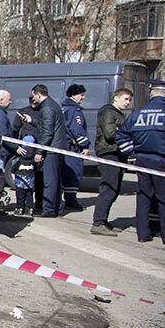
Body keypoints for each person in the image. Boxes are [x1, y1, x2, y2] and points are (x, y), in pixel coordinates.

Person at [115, 80, 165, 245]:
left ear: (152, 92)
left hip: (142, 160)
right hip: (164, 161)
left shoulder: (139, 112)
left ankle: (143, 233)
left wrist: (132, 153)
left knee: (144, 197)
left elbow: (121, 135)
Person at [91, 88, 133, 236]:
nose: (128, 102)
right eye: (125, 99)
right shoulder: (108, 111)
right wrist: (127, 133)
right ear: (116, 98)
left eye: (129, 100)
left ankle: (103, 220)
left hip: (117, 153)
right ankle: (98, 223)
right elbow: (110, 134)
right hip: (109, 153)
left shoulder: (119, 114)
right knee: (108, 188)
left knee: (114, 189)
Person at [29, 84, 66, 217]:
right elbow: (46, 125)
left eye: (33, 96)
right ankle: (57, 208)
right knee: (55, 179)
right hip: (56, 147)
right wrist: (32, 121)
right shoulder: (51, 105)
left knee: (50, 180)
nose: (33, 99)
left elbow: (47, 132)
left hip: (51, 149)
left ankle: (49, 209)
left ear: (38, 94)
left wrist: (40, 151)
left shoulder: (47, 108)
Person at [60, 84, 90, 212]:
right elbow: (77, 130)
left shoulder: (63, 108)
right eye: (81, 95)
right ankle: (71, 201)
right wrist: (84, 145)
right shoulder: (73, 111)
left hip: (64, 146)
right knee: (73, 173)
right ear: (74, 95)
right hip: (73, 148)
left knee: (65, 174)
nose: (83, 98)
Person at [0, 89, 18, 213]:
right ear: (1, 100)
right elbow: (3, 135)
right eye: (9, 99)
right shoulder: (0, 114)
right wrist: (16, 147)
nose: (11, 102)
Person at [10, 133, 38, 216]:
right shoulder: (33, 159)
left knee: (20, 196)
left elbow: (13, 170)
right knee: (29, 196)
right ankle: (29, 209)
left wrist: (14, 179)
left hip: (20, 181)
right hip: (30, 181)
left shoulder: (19, 159)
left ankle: (19, 208)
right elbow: (36, 169)